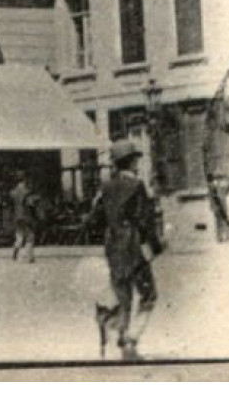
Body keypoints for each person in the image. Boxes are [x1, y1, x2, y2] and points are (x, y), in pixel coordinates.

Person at [88, 140, 164, 361]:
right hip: (133, 246)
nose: (137, 164)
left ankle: (111, 325)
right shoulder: (137, 186)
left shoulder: (105, 187)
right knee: (149, 295)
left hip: (113, 246)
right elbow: (145, 221)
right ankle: (130, 340)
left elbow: (94, 220)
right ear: (130, 162)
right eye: (135, 160)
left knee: (123, 296)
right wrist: (156, 246)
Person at [9, 171, 37, 263]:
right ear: (24, 180)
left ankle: (15, 252)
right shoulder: (27, 192)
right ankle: (30, 257)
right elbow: (30, 204)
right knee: (30, 236)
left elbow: (11, 207)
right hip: (26, 216)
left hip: (17, 216)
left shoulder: (12, 193)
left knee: (19, 236)